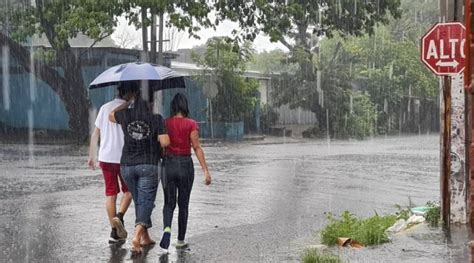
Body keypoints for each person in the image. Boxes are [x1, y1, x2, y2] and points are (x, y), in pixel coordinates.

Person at [109, 82, 170, 254]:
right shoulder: (156, 118)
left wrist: (128, 102)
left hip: (127, 166)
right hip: (148, 164)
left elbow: (111, 115)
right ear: (151, 103)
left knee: (141, 201)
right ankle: (136, 238)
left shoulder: (125, 115)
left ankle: (145, 237)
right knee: (146, 201)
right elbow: (165, 142)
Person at [159, 92, 212, 251]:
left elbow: (161, 146)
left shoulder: (165, 123)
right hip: (185, 165)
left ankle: (167, 228)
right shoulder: (191, 124)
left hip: (168, 165)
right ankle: (180, 240)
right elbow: (196, 148)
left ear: (173, 107)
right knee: (183, 204)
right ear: (185, 106)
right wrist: (206, 171)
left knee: (169, 203)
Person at [88, 84, 134, 244]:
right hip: (124, 157)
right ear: (129, 93)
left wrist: (92, 154)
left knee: (110, 194)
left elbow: (95, 134)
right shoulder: (129, 110)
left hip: (106, 157)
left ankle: (114, 231)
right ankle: (119, 218)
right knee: (129, 191)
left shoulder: (104, 107)